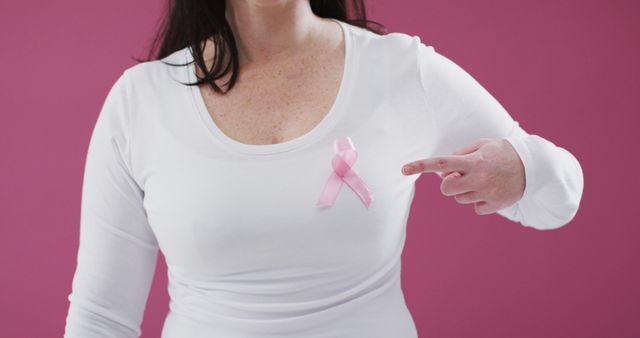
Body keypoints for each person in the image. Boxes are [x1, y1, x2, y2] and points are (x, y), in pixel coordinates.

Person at [63, 0, 584, 337]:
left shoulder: (400, 70)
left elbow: (557, 202)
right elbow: (101, 317)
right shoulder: (143, 100)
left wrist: (524, 166)